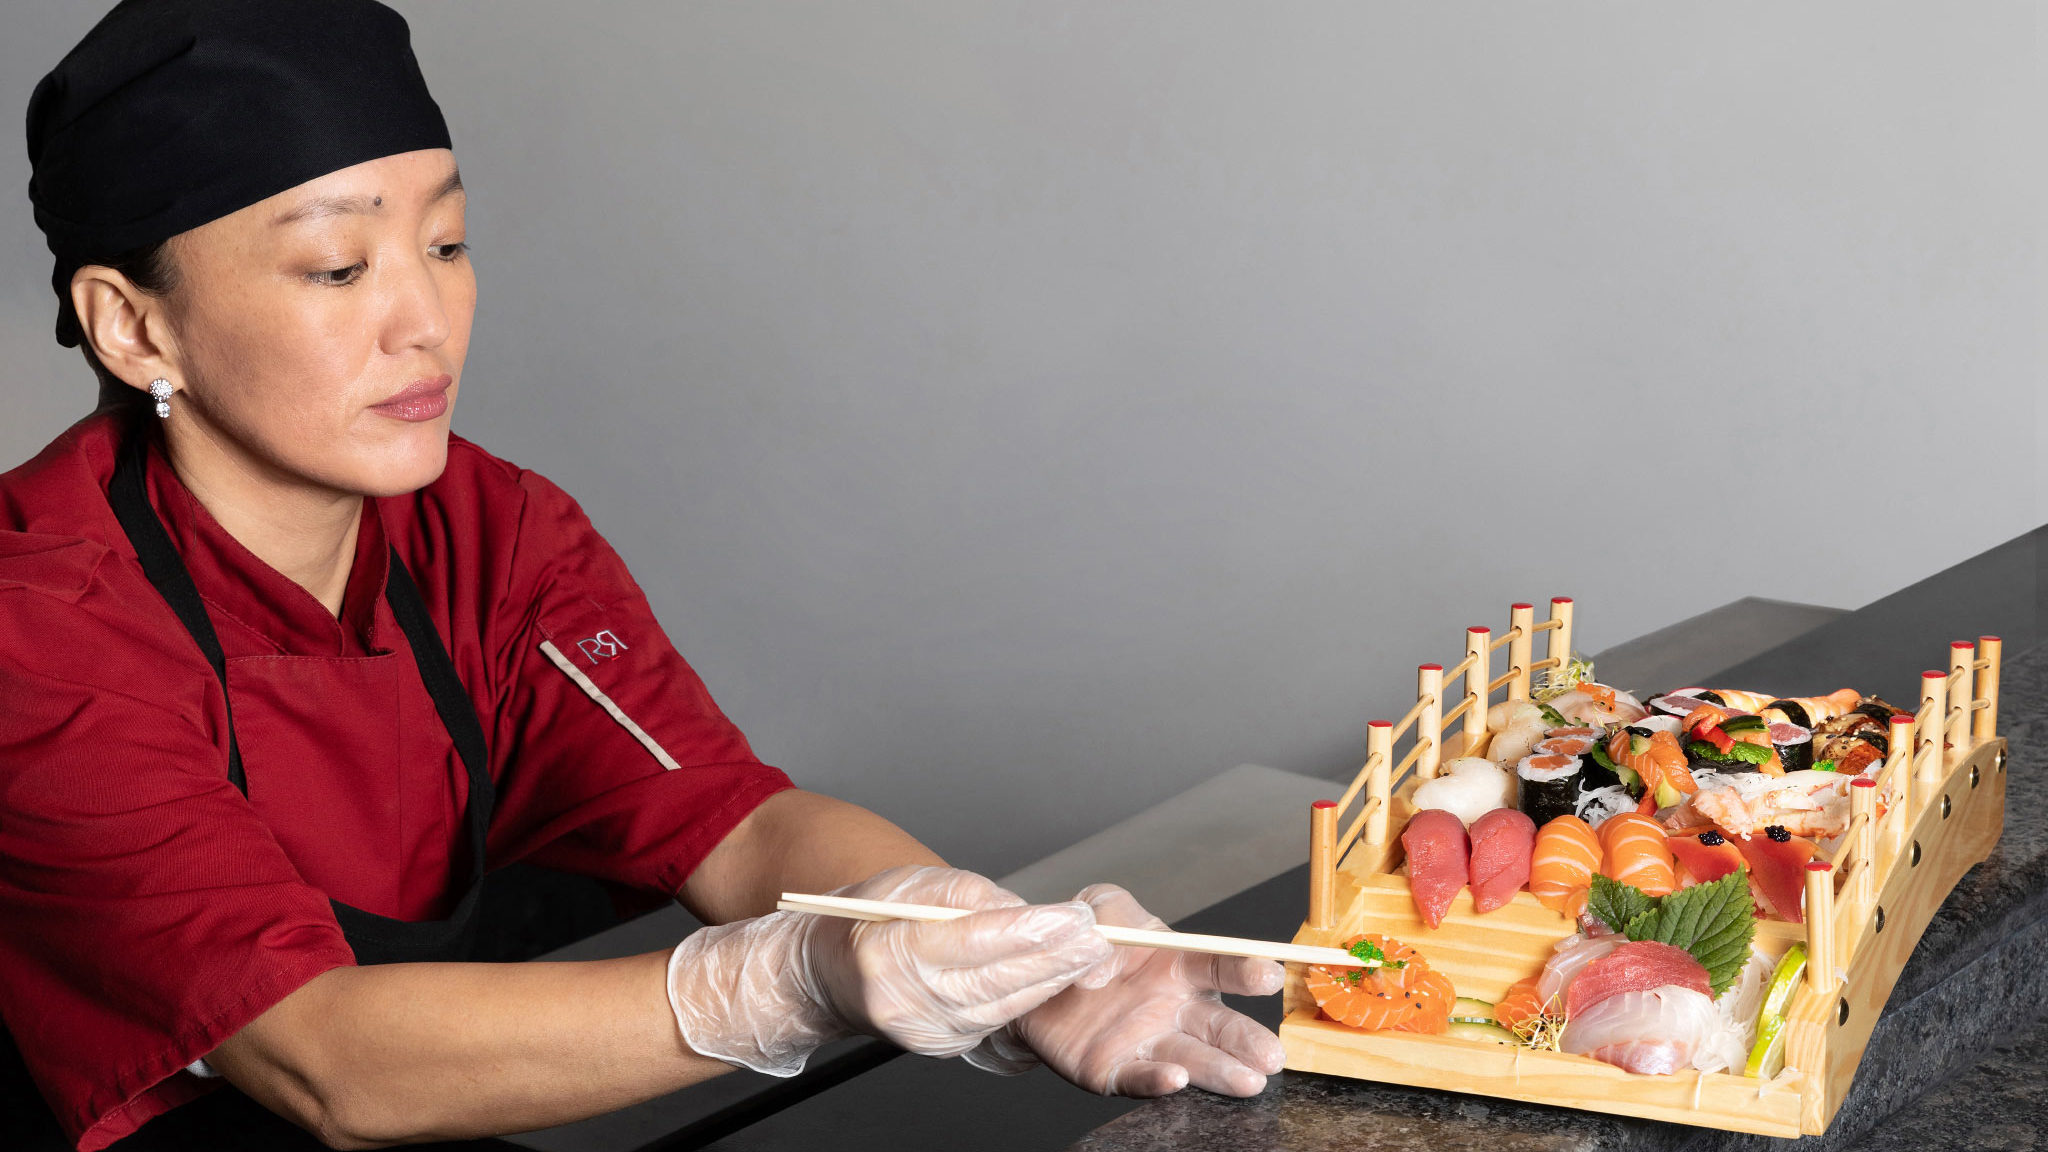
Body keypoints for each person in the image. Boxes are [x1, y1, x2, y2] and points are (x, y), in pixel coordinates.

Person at [0, 2, 1285, 1150]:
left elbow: (734, 821)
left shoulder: (493, 529)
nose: (424, 322)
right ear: (135, 323)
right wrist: (788, 983)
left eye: (445, 245)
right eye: (339, 268)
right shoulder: (36, 624)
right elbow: (326, 1064)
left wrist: (970, 936)